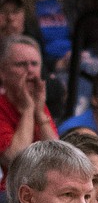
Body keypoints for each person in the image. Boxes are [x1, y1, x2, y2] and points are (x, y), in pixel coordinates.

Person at [0, 35, 57, 174]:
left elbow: (57, 158)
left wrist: (39, 113)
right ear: (2, 72)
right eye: (21, 64)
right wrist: (28, 111)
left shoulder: (38, 104)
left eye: (34, 64)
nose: (30, 70)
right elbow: (15, 160)